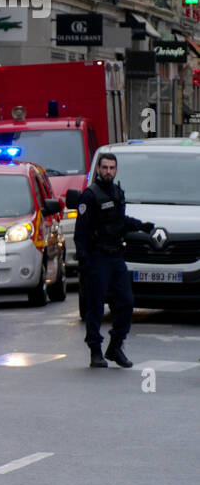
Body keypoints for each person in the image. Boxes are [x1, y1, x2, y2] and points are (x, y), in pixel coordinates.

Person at [74, 152, 154, 369]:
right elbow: (80, 233)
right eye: (105, 167)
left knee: (127, 302)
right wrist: (84, 261)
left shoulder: (117, 192)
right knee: (95, 307)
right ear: (98, 169)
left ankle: (116, 346)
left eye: (112, 168)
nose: (108, 171)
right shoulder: (90, 196)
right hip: (97, 257)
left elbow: (120, 221)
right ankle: (95, 351)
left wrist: (141, 225)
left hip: (116, 256)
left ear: (116, 170)